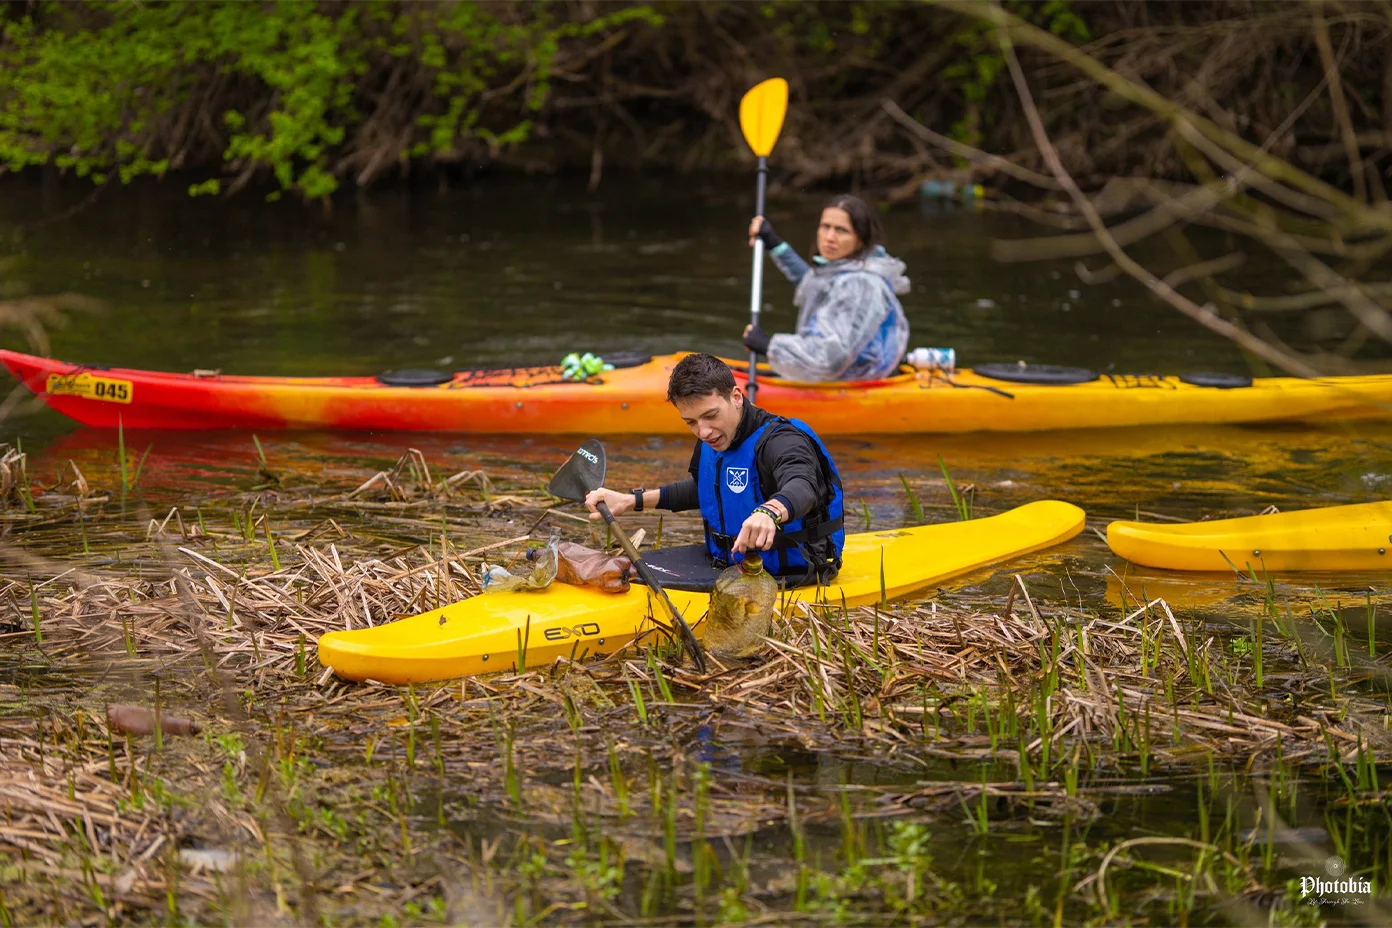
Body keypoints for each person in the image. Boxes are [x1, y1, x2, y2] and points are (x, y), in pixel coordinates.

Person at [583, 353, 844, 585]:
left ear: (736, 397)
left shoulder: (782, 440)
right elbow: (706, 491)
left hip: (788, 571)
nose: (703, 432)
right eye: (691, 422)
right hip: (724, 564)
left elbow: (803, 485)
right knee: (626, 571)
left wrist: (770, 512)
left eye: (710, 416)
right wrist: (631, 500)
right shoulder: (714, 438)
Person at [742, 194, 910, 382]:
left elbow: (832, 360)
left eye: (841, 230)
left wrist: (769, 346)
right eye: (825, 227)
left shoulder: (862, 284)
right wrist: (775, 244)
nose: (830, 237)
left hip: (854, 379)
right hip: (835, 374)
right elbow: (814, 286)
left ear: (860, 239)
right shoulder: (846, 268)